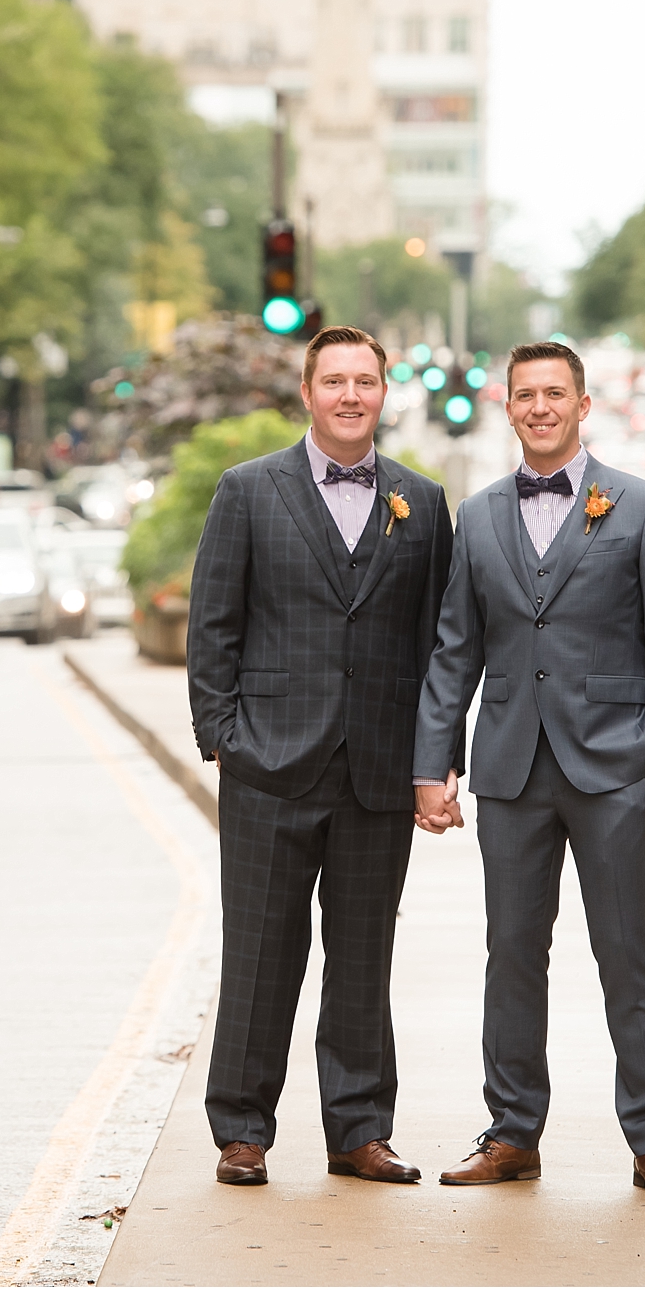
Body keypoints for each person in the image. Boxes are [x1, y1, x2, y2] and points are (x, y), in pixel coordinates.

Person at [412, 340, 645, 1197]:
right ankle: (512, 1133)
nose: (540, 407)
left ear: (583, 406)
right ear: (508, 407)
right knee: (512, 954)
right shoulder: (481, 515)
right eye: (525, 395)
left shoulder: (644, 508)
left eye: (555, 394)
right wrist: (437, 764)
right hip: (510, 770)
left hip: (614, 769)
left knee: (625, 952)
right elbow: (453, 651)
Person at [186, 325, 454, 1187]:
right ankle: (243, 1129)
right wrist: (224, 736)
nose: (349, 395)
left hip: (375, 769)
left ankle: (359, 1131)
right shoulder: (248, 490)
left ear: (384, 393)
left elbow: (435, 647)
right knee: (261, 952)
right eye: (333, 381)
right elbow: (212, 626)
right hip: (269, 765)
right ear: (307, 393)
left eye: (364, 381)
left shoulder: (423, 501)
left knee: (364, 956)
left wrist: (430, 760)